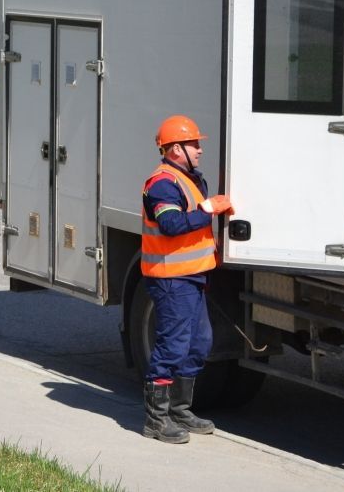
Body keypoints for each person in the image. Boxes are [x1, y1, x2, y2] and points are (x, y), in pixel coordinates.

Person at [140, 115, 231, 444]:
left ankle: (180, 410)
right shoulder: (162, 184)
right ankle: (156, 420)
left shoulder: (188, 179)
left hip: (191, 277)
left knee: (199, 343)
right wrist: (208, 209)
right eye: (194, 144)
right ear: (175, 148)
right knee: (172, 346)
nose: (200, 149)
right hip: (171, 279)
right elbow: (171, 225)